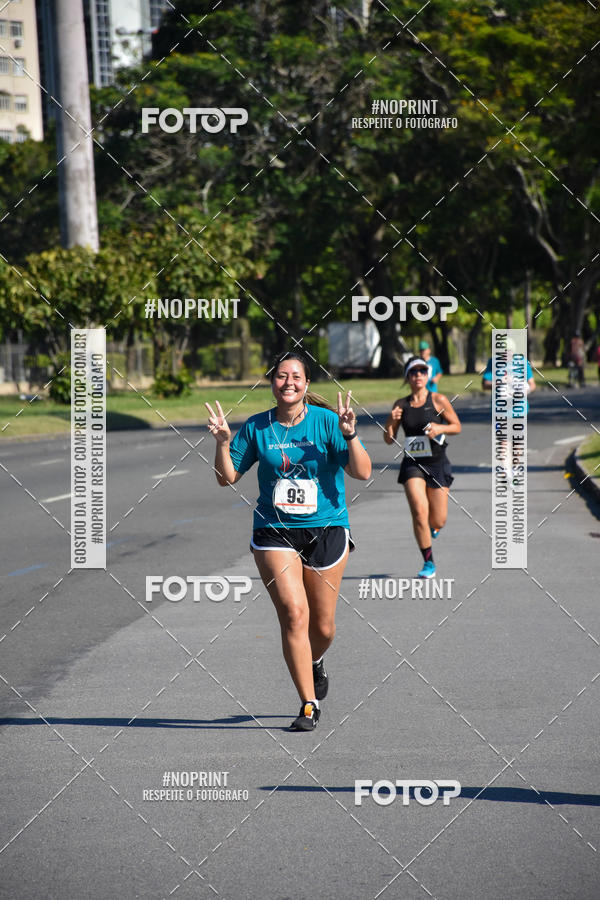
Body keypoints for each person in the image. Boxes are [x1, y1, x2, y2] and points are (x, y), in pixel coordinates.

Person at [206, 351, 371, 732]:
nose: (288, 382)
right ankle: (308, 703)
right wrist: (221, 442)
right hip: (273, 530)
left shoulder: (328, 423)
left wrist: (350, 434)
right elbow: (226, 477)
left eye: (296, 376)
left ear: (307, 383)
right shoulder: (257, 426)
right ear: (272, 383)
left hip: (326, 528)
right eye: (281, 376)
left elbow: (362, 472)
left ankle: (314, 661)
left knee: (324, 627)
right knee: (295, 615)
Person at [383, 357, 461, 579]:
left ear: (427, 375)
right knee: (419, 510)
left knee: (438, 520)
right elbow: (389, 439)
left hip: (437, 463)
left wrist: (439, 427)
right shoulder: (400, 404)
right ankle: (428, 563)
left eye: (422, 371)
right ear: (407, 377)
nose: (418, 375)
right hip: (413, 463)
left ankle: (433, 527)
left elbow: (457, 426)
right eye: (413, 372)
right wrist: (390, 420)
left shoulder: (438, 400)